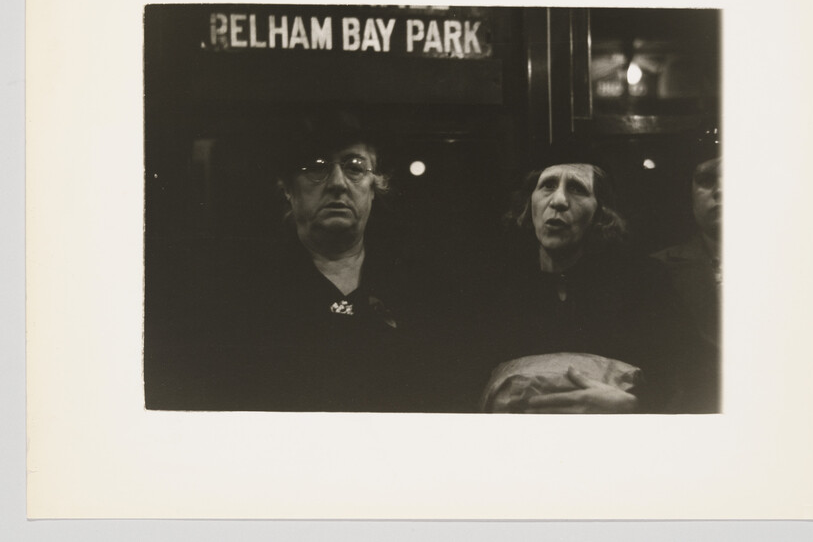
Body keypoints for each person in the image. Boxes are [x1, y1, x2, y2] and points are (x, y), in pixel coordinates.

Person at [146, 107, 458, 412]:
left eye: (354, 167)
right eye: (316, 166)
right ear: (287, 189)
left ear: (374, 188)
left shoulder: (419, 289)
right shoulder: (242, 293)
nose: (337, 182)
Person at [478, 156, 691, 413]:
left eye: (577, 189)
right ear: (529, 205)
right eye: (547, 186)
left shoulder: (645, 282)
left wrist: (636, 404)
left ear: (600, 213)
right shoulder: (491, 285)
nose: (558, 201)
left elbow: (686, 375)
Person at [652, 142, 721, 412]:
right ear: (689, 195)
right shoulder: (657, 272)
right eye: (706, 180)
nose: (721, 190)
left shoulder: (799, 268)